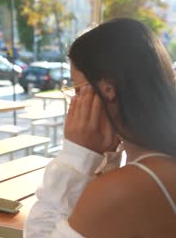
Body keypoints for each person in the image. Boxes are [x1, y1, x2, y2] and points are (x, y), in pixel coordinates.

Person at [25, 18, 176, 237]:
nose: (73, 101)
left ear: (107, 89)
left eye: (76, 88)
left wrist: (76, 159)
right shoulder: (160, 163)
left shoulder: (123, 189)